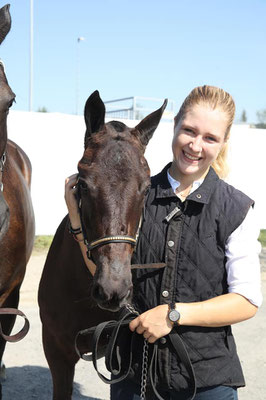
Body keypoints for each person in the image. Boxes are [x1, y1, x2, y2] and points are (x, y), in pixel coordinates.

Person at [65, 85, 262, 400]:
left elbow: (247, 300)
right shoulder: (137, 194)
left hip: (207, 383)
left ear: (223, 143)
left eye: (210, 137)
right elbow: (107, 273)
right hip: (135, 377)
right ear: (173, 128)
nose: (196, 145)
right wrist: (76, 221)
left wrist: (173, 314)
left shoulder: (235, 208)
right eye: (189, 131)